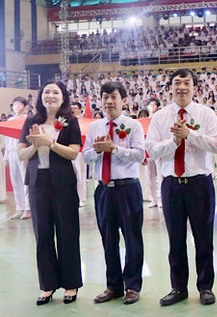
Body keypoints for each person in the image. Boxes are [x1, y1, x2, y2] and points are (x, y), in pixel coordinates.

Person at [146, 69, 217, 306]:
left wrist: (190, 135)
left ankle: (205, 287)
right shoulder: (159, 117)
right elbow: (152, 149)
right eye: (176, 83)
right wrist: (174, 142)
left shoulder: (206, 113)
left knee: (203, 238)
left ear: (195, 88)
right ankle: (178, 288)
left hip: (199, 183)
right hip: (171, 185)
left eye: (186, 83)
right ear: (170, 87)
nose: (181, 87)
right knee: (175, 239)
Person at [17, 81, 82, 305]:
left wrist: (50, 142)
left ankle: (71, 284)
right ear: (40, 97)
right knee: (42, 236)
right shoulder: (31, 121)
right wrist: (35, 145)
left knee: (67, 233)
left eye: (55, 92)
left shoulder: (70, 121)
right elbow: (21, 155)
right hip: (38, 184)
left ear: (63, 97)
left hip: (63, 184)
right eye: (46, 92)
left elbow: (73, 153)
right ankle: (47, 286)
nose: (50, 95)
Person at [84, 82, 146, 305]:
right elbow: (85, 156)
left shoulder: (133, 125)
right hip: (103, 190)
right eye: (105, 97)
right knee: (108, 239)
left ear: (124, 100)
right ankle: (113, 286)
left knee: (132, 238)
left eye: (113, 97)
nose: (108, 101)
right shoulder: (95, 127)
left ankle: (132, 286)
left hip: (128, 188)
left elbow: (140, 155)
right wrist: (97, 150)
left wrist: (115, 149)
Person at [6, 96, 30, 219]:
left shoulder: (26, 120)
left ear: (24, 107)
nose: (17, 107)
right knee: (15, 181)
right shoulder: (10, 120)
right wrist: (6, 157)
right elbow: (7, 138)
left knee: (25, 179)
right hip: (11, 152)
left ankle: (28, 207)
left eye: (20, 105)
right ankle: (20, 207)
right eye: (15, 104)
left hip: (23, 151)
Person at [70, 102, 88, 207]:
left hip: (81, 150)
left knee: (80, 173)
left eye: (75, 108)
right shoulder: (66, 121)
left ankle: (81, 197)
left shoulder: (83, 121)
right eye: (71, 108)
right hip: (70, 149)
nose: (73, 110)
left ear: (80, 110)